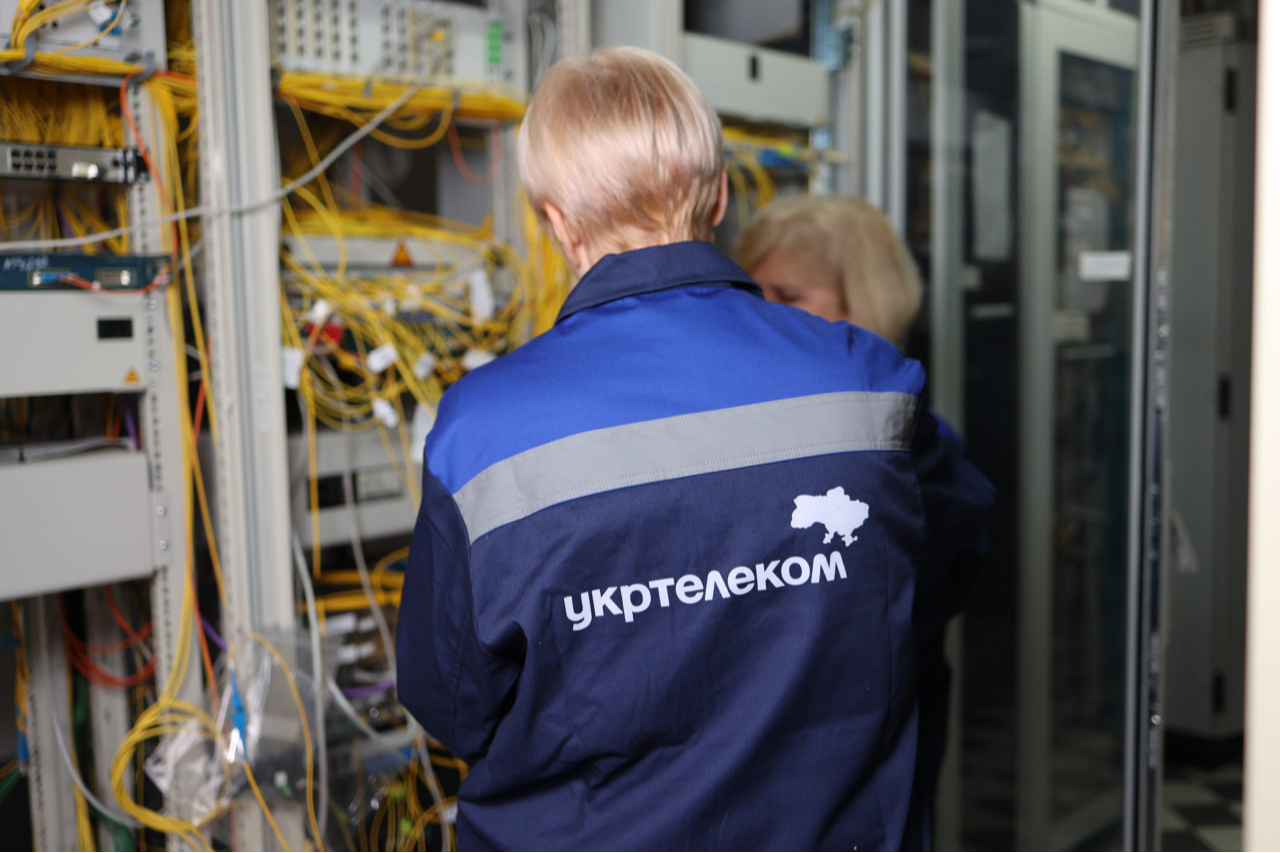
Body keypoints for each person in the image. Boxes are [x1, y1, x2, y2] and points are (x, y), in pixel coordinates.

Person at [396, 46, 993, 852]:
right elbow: (944, 573)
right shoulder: (870, 384)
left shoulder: (481, 433)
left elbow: (450, 705)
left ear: (556, 222)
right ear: (717, 195)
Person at [737, 194, 990, 849]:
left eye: (788, 295)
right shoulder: (757, 425)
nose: (764, 316)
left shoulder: (916, 446)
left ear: (865, 305)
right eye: (754, 295)